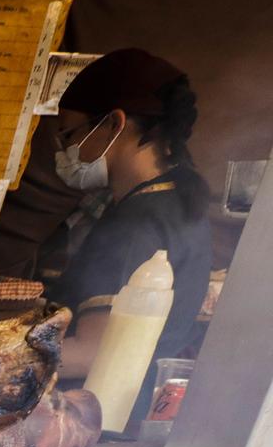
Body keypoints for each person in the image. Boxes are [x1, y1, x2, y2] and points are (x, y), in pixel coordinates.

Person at [40, 48, 213, 383]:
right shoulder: (180, 205)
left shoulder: (135, 224)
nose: (64, 151)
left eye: (70, 134)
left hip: (93, 415)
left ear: (112, 125)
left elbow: (91, 355)